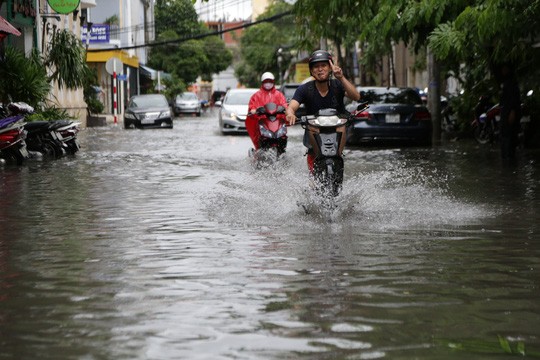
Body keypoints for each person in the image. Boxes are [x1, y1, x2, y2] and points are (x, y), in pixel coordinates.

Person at [286, 49, 361, 171]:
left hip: (336, 129)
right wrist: (290, 114)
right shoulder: (305, 89)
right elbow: (292, 106)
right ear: (311, 70)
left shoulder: (338, 85)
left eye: (323, 65)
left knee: (341, 125)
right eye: (316, 66)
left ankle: (338, 157)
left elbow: (356, 96)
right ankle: (318, 159)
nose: (320, 69)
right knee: (312, 127)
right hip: (314, 130)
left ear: (330, 68)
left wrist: (341, 77)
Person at [246, 72, 288, 150]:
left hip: (276, 121)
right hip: (263, 121)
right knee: (260, 137)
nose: (268, 83)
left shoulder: (279, 94)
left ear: (273, 82)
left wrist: (285, 108)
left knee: (283, 136)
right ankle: (259, 151)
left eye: (270, 81)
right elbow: (252, 106)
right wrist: (253, 110)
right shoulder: (256, 95)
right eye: (266, 81)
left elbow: (284, 103)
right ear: (262, 83)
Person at [498, 63, 521, 161]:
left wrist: (512, 112)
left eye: (505, 69)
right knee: (505, 135)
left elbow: (514, 99)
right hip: (505, 111)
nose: (503, 71)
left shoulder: (512, 83)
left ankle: (509, 157)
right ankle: (506, 157)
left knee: (509, 135)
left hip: (509, 112)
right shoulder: (505, 82)